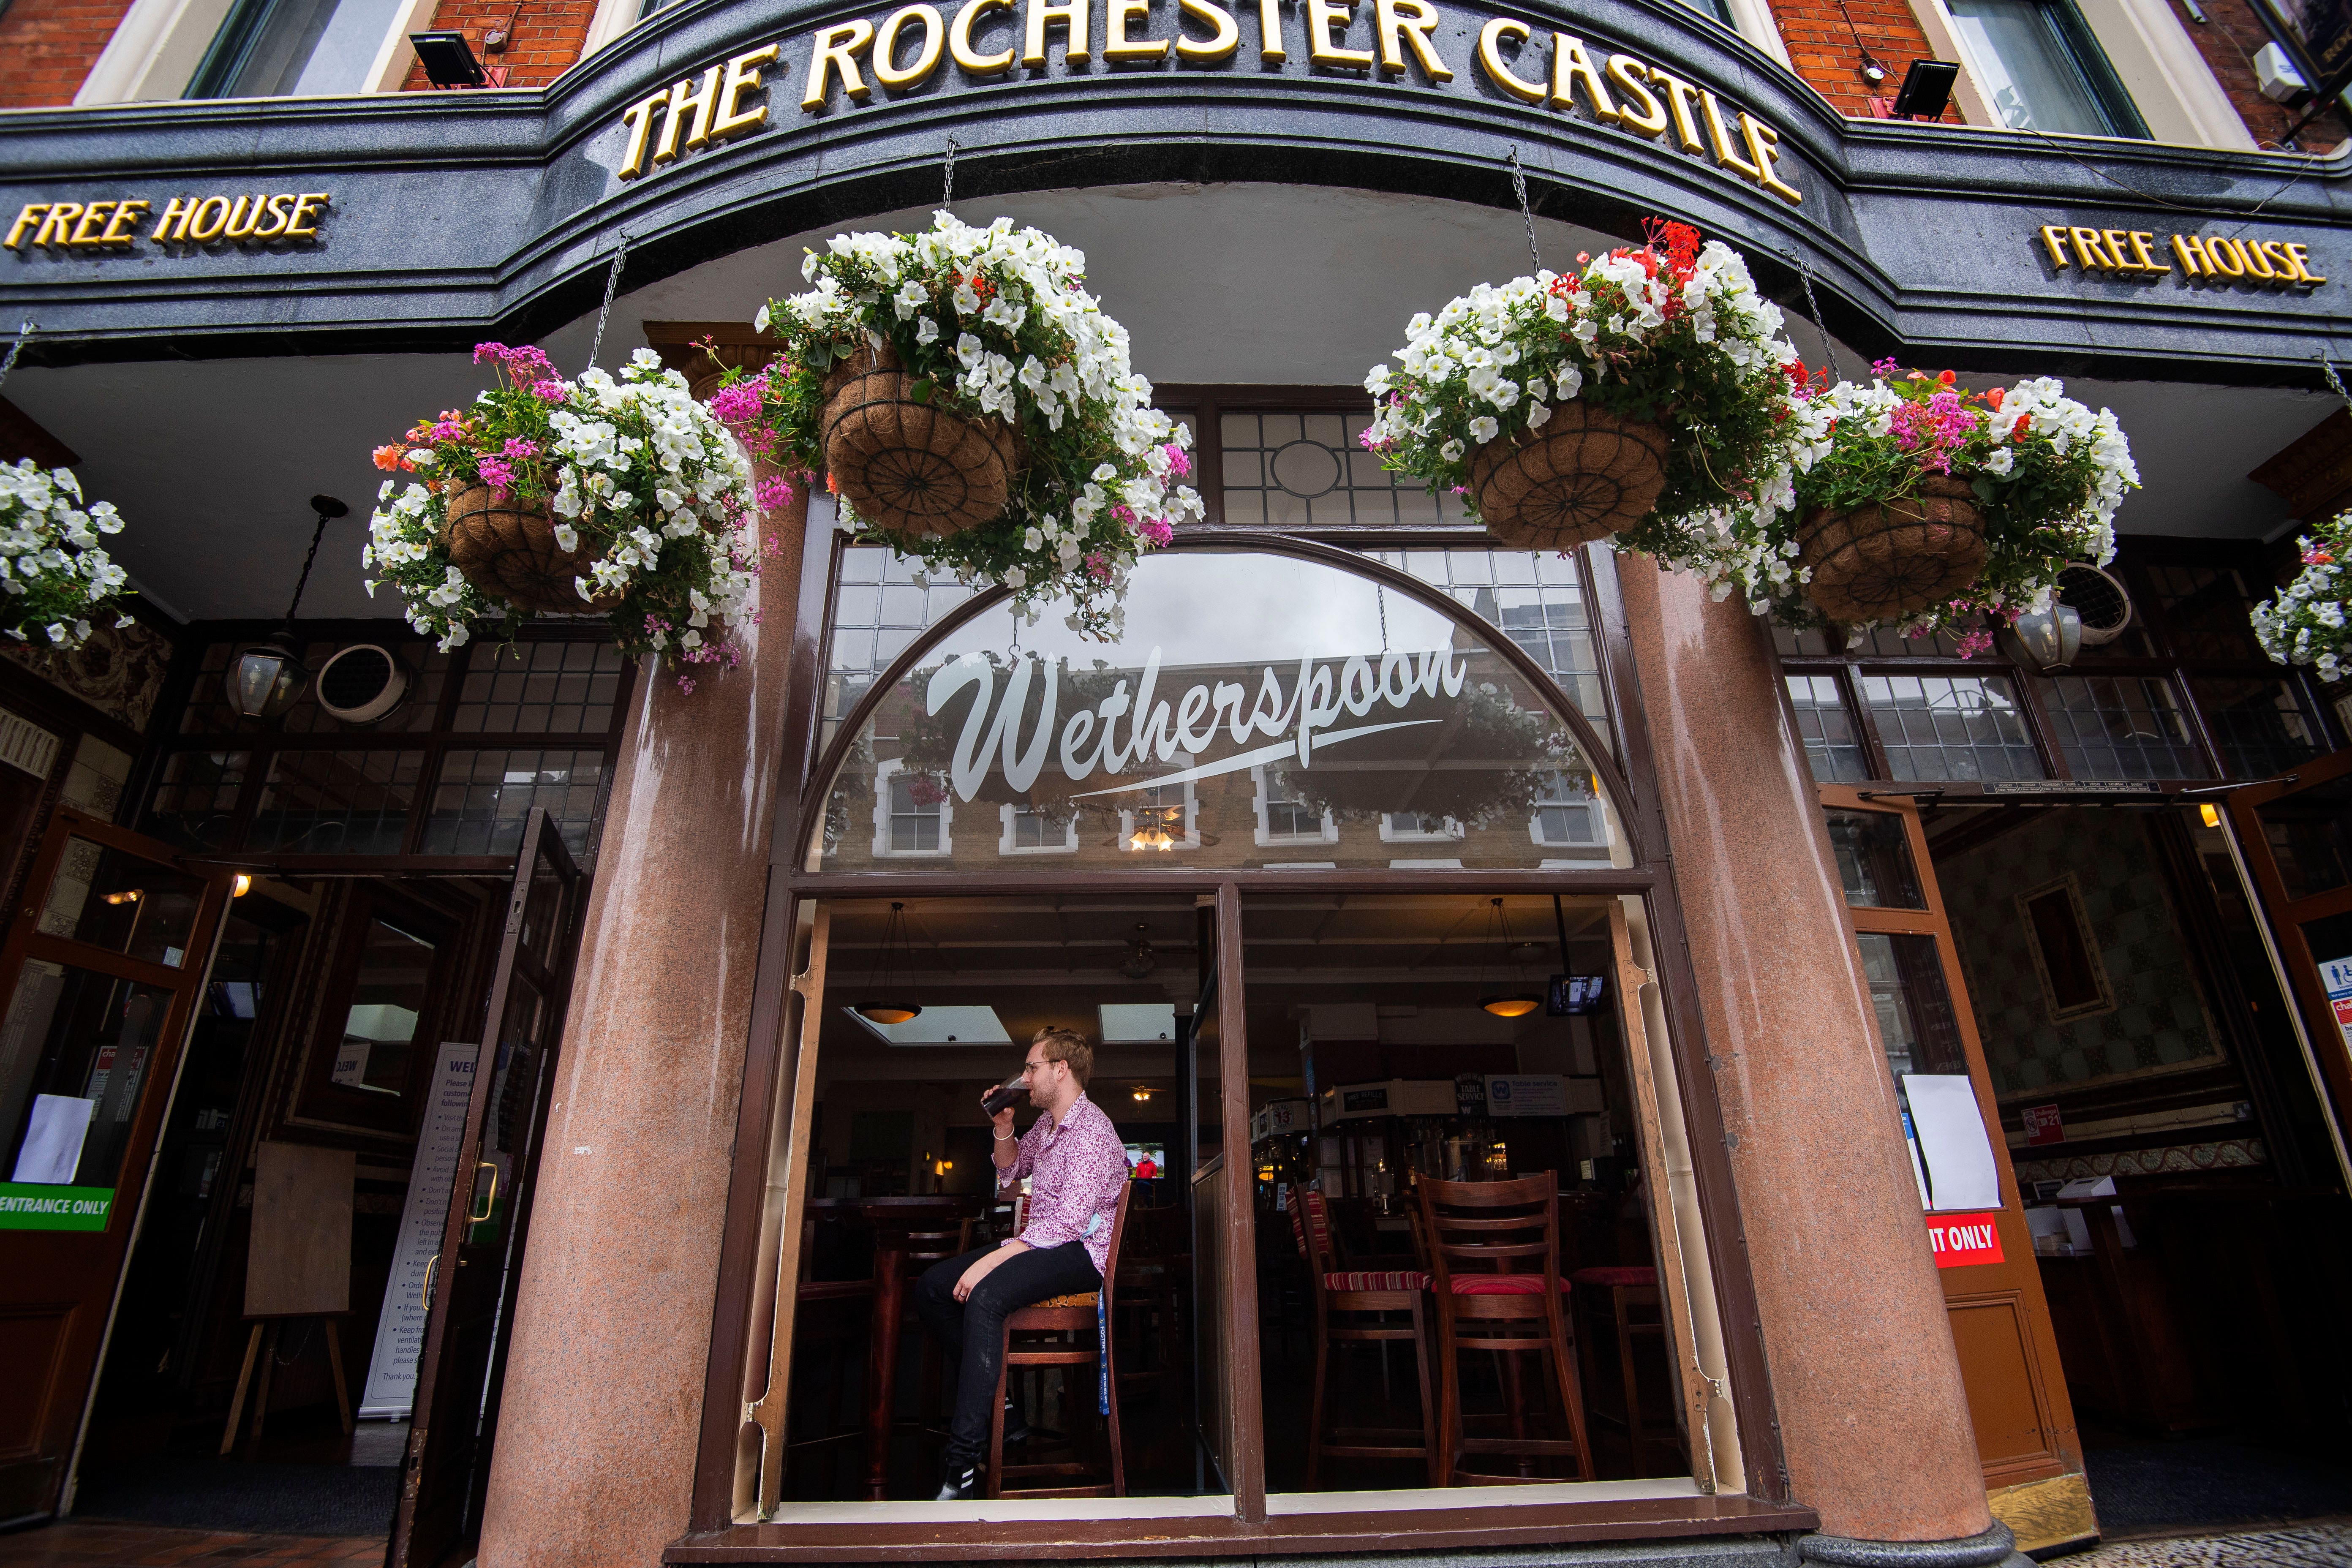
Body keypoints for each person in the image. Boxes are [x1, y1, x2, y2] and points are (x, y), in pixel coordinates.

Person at [913, 1026, 1128, 1501]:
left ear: (1061, 1069)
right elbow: (1011, 1173)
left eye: (1032, 1068)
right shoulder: (1047, 1127)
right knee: (932, 1287)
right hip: (1044, 1243)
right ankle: (1005, 1412)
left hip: (1080, 1254)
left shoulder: (1092, 1129)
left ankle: (962, 1465)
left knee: (985, 1297)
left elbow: (1071, 1224)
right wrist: (1004, 1125)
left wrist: (998, 1257)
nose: (1026, 1078)